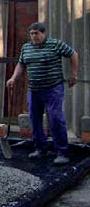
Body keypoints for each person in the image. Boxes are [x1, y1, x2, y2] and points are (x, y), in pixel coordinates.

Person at [6, 22, 79, 165]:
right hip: (34, 90)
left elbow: (73, 54)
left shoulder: (55, 44)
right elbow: (21, 64)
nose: (34, 36)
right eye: (32, 34)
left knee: (55, 119)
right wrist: (13, 78)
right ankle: (40, 148)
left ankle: (62, 152)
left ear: (43, 33)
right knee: (34, 119)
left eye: (37, 33)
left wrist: (74, 75)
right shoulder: (26, 48)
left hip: (53, 89)